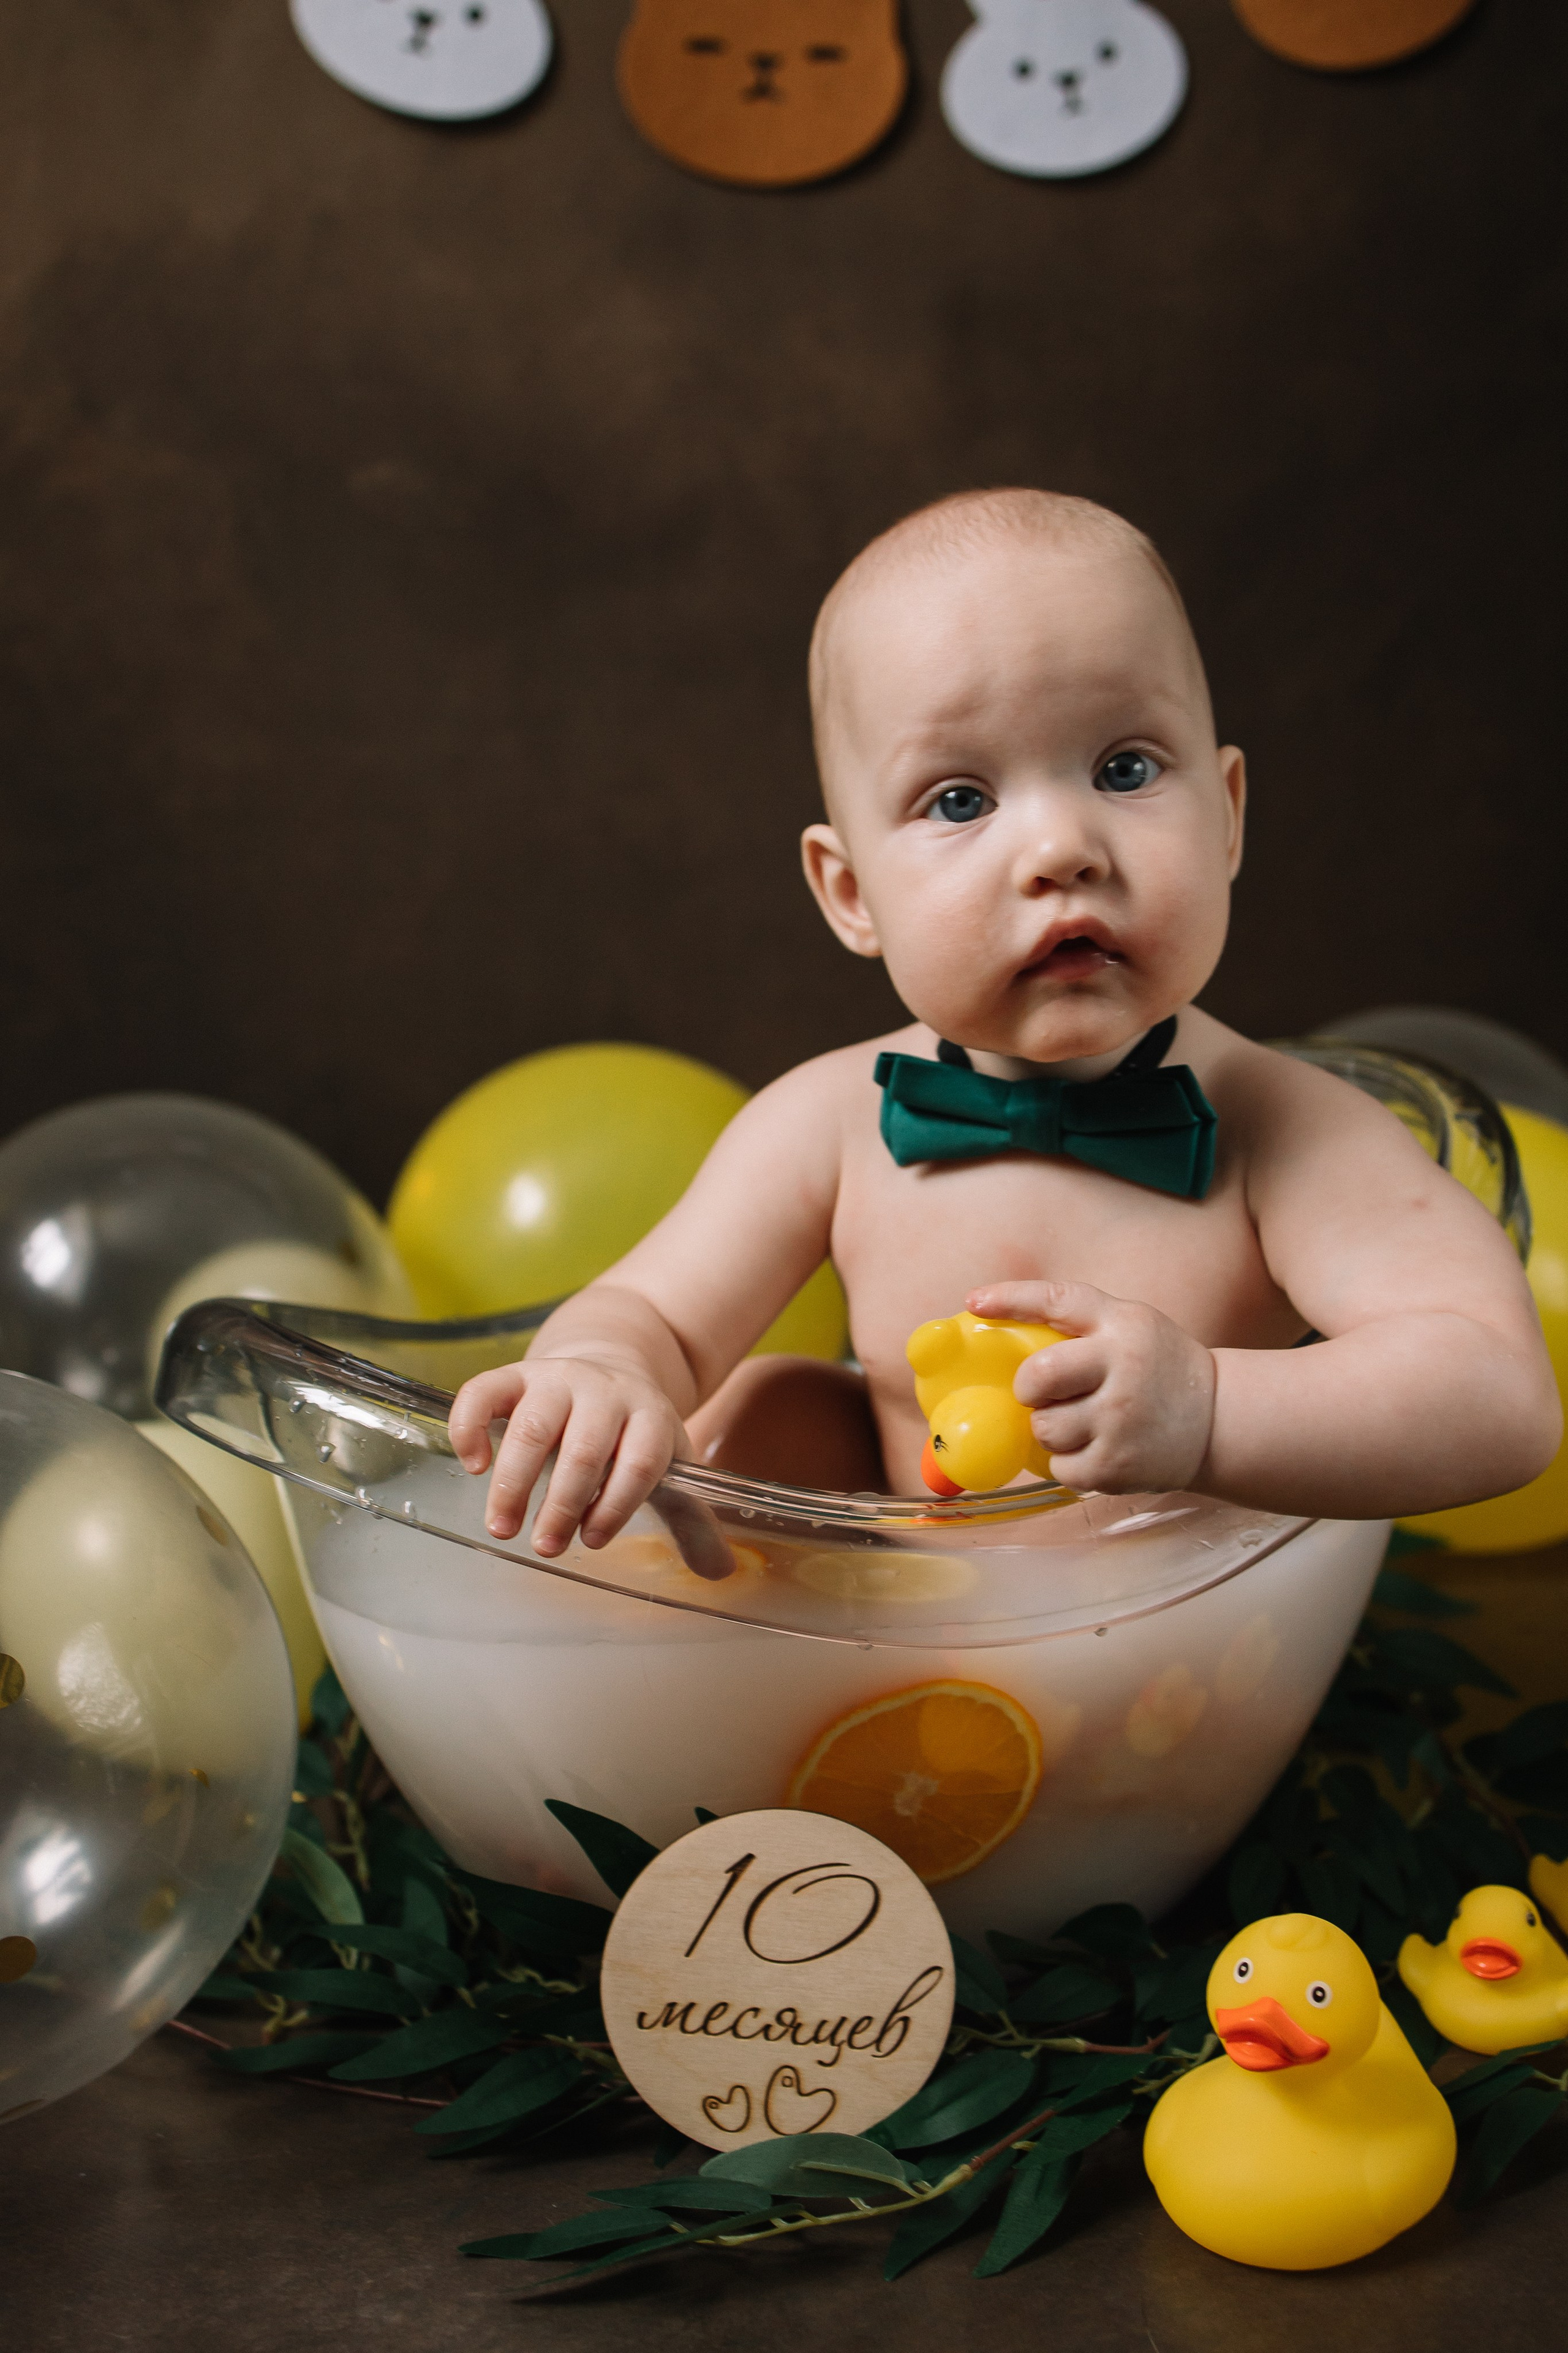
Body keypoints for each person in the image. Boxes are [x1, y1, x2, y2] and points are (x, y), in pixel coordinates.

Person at [450, 489, 1560, 1557]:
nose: (1059, 848)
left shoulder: (1290, 1132)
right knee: (754, 1418)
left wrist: (1211, 1408)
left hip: (1190, 1670)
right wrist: (603, 1366)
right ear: (850, 895)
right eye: (960, 800)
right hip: (904, 1639)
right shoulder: (826, 1125)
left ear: (1226, 818)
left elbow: (1498, 1394)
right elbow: (657, 1314)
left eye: (1124, 768)